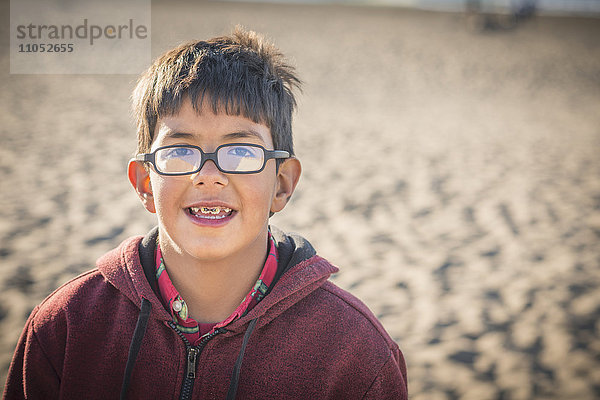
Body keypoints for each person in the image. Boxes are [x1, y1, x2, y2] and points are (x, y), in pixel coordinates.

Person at [4, 27, 408, 399]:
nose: (208, 176)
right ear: (145, 182)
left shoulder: (354, 349)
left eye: (241, 151)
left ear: (282, 183)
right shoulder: (67, 326)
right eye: (180, 151)